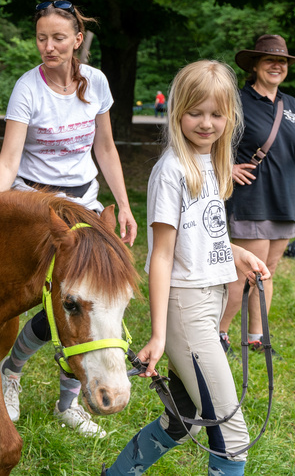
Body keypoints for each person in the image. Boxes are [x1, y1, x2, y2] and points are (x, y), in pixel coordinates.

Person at [103, 60, 271, 476]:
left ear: (230, 117)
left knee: (183, 416)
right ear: (177, 111)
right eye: (196, 112)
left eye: (216, 114)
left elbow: (199, 234)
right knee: (231, 436)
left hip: (208, 303)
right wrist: (159, 334)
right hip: (185, 309)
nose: (206, 123)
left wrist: (235, 252)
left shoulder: (210, 164)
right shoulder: (172, 171)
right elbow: (161, 255)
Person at [0, 0, 138, 437]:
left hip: (86, 203)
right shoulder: (27, 88)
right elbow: (8, 158)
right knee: (52, 299)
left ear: (77, 40)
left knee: (90, 298)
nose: (48, 47)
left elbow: (105, 149)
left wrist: (123, 205)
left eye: (57, 38)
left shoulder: (96, 82)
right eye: (41, 38)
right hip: (35, 205)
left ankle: (69, 404)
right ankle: (9, 371)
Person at [217, 35, 295, 358]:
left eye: (283, 61)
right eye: (269, 60)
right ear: (254, 66)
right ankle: (218, 335)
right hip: (251, 198)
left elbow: (290, 146)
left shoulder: (290, 106)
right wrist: (227, 168)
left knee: (267, 272)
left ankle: (256, 339)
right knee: (245, 275)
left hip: (283, 199)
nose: (277, 65)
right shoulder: (236, 100)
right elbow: (211, 140)